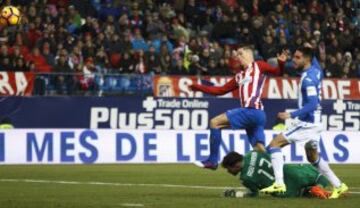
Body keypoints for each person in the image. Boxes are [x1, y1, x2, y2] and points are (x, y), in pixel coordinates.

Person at [260, 46, 348, 199]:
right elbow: (312, 56)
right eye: (294, 56)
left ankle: (279, 184)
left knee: (274, 144)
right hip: (316, 123)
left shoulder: (307, 80)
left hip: (307, 123)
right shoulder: (317, 70)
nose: (294, 60)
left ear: (307, 59)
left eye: (297, 57)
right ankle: (339, 185)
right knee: (313, 157)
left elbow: (312, 104)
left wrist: (291, 114)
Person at [189, 46, 288, 170]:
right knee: (259, 149)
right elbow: (219, 90)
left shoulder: (259, 65)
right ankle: (279, 173)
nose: (238, 57)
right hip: (257, 116)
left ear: (249, 55)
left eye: (241, 54)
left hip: (252, 110)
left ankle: (212, 161)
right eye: (237, 55)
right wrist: (198, 87)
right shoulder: (239, 76)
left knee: (215, 123)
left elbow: (278, 72)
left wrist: (281, 63)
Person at [222, 151, 331, 199]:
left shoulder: (245, 178)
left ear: (236, 165)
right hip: (291, 173)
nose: (229, 172)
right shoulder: (253, 153)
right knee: (316, 175)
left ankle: (311, 190)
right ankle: (319, 187)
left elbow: (254, 194)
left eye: (229, 168)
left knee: (303, 193)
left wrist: (237, 194)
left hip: (284, 192)